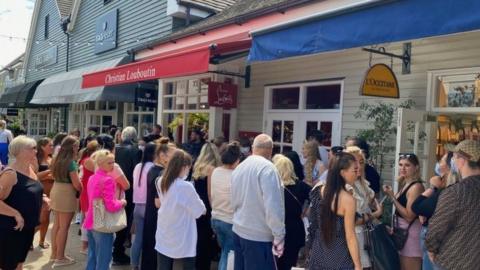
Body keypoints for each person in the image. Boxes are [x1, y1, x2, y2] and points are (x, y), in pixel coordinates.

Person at [231, 134, 285, 270]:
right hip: (258, 235)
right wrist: (279, 234)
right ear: (271, 150)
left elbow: (233, 199)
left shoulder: (240, 167)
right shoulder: (268, 169)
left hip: (239, 228)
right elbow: (273, 206)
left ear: (253, 148)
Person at [425, 140, 480, 270]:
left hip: (454, 260)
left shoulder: (456, 192)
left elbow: (437, 226)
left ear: (462, 160)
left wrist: (431, 249)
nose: (453, 161)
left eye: (454, 157)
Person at [306, 152, 362, 270]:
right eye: (355, 170)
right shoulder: (348, 200)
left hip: (318, 252)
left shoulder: (318, 190)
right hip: (339, 256)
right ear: (342, 173)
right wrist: (358, 265)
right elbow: (350, 235)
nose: (358, 174)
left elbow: (312, 222)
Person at [155, 149, 206, 270]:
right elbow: (199, 210)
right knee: (188, 265)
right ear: (184, 167)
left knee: (163, 265)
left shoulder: (161, 181)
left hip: (165, 229)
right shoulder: (185, 186)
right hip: (183, 232)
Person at [0, 136, 43, 270]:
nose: (36, 151)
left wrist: (44, 198)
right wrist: (15, 213)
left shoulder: (31, 170)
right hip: (10, 228)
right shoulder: (10, 174)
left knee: (19, 264)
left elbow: (29, 192)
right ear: (20, 151)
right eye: (32, 148)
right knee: (9, 265)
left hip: (27, 228)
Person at [84, 150, 127, 270]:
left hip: (91, 219)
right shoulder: (108, 180)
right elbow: (111, 206)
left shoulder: (92, 177)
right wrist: (122, 202)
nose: (112, 165)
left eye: (113, 162)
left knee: (92, 258)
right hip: (102, 221)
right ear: (100, 163)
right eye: (109, 163)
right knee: (104, 261)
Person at [412, 152, 455, 270]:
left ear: (449, 166)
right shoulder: (446, 185)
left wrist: (433, 188)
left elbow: (417, 206)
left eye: (441, 161)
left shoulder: (448, 188)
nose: (438, 164)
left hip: (437, 238)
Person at [383, 153, 424, 270]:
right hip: (401, 232)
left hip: (410, 234)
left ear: (416, 167)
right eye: (400, 165)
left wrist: (392, 197)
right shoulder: (405, 184)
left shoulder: (416, 187)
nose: (403, 168)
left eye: (407, 165)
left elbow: (409, 216)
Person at [344, 146, 383, 269]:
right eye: (355, 162)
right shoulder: (346, 187)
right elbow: (353, 221)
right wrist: (375, 214)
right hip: (353, 238)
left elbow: (367, 206)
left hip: (366, 236)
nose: (358, 166)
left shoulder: (362, 184)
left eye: (361, 162)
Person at [141, 138, 176, 270]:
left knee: (150, 248)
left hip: (151, 215)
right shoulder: (161, 174)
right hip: (157, 217)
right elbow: (160, 202)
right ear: (162, 156)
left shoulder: (154, 170)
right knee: (156, 251)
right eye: (173, 156)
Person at [273, 154, 311, 270]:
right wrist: (305, 211)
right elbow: (316, 197)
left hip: (275, 228)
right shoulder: (301, 186)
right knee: (290, 262)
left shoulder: (273, 186)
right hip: (294, 229)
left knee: (273, 263)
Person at [49, 136, 82, 267]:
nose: (78, 148)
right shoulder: (71, 163)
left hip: (56, 189)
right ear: (72, 147)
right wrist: (82, 189)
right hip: (66, 193)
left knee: (57, 225)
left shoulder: (56, 159)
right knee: (64, 227)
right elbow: (77, 184)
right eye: (77, 146)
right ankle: (60, 257)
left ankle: (54, 254)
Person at [210, 142, 241, 270]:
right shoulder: (236, 175)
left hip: (216, 218)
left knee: (225, 252)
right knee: (228, 255)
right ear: (236, 160)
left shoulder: (216, 171)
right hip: (230, 220)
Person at [113, 126, 142, 264]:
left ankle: (117, 250)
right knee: (124, 221)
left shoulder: (115, 149)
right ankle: (118, 252)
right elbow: (137, 172)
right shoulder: (135, 150)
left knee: (117, 219)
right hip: (128, 189)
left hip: (114, 187)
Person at [192, 142, 222, 270]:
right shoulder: (212, 169)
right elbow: (211, 193)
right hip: (207, 208)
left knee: (198, 241)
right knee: (206, 243)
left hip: (197, 207)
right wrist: (214, 211)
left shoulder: (197, 167)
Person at [131, 142, 156, 270]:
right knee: (150, 239)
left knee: (138, 238)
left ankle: (134, 264)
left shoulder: (138, 167)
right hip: (149, 207)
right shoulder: (153, 168)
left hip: (137, 206)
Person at [78, 140, 99, 254]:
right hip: (87, 191)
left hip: (86, 191)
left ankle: (85, 245)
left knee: (86, 218)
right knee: (88, 219)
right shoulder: (89, 161)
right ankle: (85, 246)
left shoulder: (85, 159)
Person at [35, 137, 54, 249]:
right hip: (39, 192)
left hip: (51, 192)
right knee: (39, 219)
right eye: (50, 145)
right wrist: (49, 172)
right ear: (42, 147)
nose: (52, 147)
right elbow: (34, 176)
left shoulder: (52, 159)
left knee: (46, 219)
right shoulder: (35, 159)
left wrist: (50, 175)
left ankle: (41, 241)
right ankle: (28, 239)